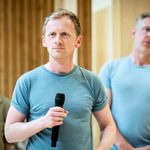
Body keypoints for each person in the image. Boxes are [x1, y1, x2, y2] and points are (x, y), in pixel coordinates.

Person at [4, 8, 116, 150]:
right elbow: (10, 134)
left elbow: (108, 126)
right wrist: (43, 122)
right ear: (44, 41)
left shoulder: (92, 81)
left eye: (64, 34)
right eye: (52, 35)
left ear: (78, 41)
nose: (58, 40)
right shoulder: (27, 81)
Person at [99, 11, 150, 150]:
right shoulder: (110, 68)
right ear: (134, 32)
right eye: (147, 29)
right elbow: (103, 115)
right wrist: (123, 145)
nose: (149, 36)